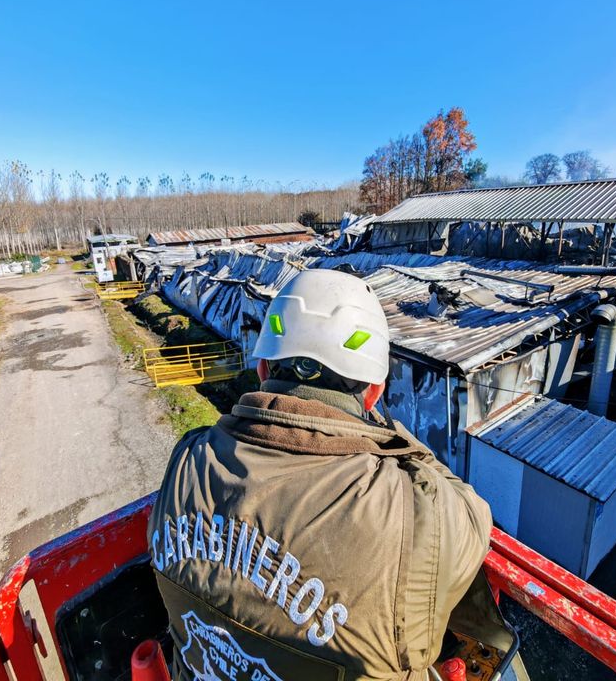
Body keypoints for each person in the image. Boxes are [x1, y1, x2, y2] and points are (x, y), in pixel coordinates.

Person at [150, 269, 493, 681]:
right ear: (374, 392)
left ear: (263, 369)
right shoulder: (415, 512)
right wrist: (390, 438)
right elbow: (473, 515)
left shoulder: (187, 458)